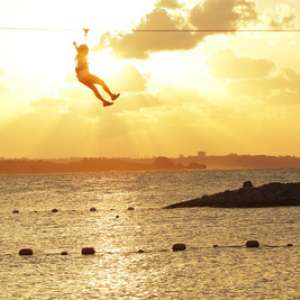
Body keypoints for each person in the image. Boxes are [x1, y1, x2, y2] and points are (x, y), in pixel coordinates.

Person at [73, 42, 120, 107]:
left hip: (81, 78)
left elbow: (78, 50)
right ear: (83, 50)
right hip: (85, 75)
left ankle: (104, 102)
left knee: (94, 89)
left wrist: (75, 45)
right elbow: (79, 51)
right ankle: (112, 96)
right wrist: (76, 46)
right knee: (102, 82)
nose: (87, 52)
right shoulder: (81, 56)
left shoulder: (79, 56)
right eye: (87, 50)